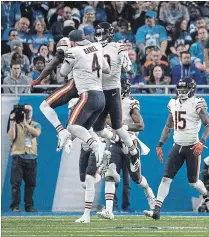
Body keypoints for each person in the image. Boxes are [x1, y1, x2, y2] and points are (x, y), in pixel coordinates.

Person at [144, 77, 209, 220]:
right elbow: (168, 126)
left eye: (185, 88)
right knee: (166, 178)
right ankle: (157, 210)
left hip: (192, 147)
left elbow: (208, 124)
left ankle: (206, 196)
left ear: (191, 89)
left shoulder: (197, 103)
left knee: (193, 182)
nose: (182, 91)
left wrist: (201, 142)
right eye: (180, 88)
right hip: (177, 146)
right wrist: (160, 144)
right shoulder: (173, 103)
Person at [60, 30, 110, 223]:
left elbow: (63, 73)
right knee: (84, 128)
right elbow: (105, 69)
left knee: (72, 125)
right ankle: (97, 146)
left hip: (88, 94)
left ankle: (97, 145)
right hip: (101, 97)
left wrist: (65, 55)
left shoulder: (75, 51)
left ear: (73, 42)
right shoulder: (96, 46)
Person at [97, 80, 155, 220]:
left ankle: (151, 196)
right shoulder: (107, 101)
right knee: (110, 173)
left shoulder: (130, 103)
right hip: (114, 142)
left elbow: (140, 126)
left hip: (130, 143)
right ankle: (109, 210)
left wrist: (124, 128)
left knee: (137, 179)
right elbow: (105, 120)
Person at [93, 22, 141, 173]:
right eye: (98, 33)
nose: (100, 37)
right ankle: (117, 140)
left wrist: (126, 63)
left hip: (113, 90)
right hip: (98, 90)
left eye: (103, 33)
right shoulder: (93, 48)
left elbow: (129, 68)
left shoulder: (118, 47)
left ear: (110, 34)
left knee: (117, 126)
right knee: (98, 128)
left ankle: (133, 152)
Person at [7, 104, 41, 212]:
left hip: (31, 158)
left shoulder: (36, 124)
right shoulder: (15, 124)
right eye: (25, 111)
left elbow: (36, 133)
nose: (27, 113)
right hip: (18, 157)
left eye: (29, 111)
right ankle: (15, 206)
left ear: (32, 112)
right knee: (15, 183)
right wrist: (12, 122)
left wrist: (25, 123)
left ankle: (29, 206)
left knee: (31, 184)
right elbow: (10, 137)